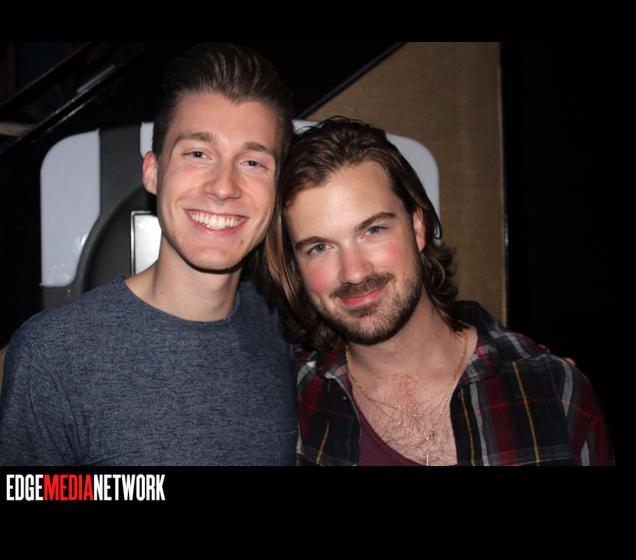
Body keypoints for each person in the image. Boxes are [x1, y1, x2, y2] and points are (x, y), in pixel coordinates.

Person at [0, 43, 298, 465]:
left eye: (252, 162)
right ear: (153, 172)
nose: (223, 187)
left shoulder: (286, 330)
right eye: (198, 154)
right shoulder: (53, 355)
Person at [264, 116, 614, 466]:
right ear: (296, 267)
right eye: (320, 248)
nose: (354, 272)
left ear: (418, 227)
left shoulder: (552, 392)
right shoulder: (292, 403)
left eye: (373, 230)